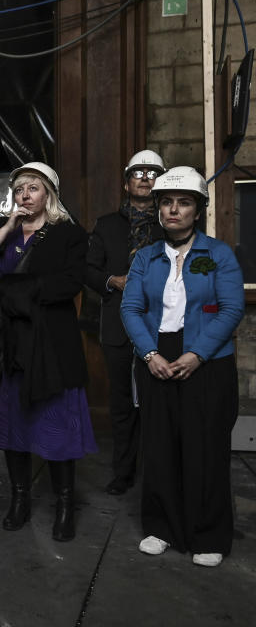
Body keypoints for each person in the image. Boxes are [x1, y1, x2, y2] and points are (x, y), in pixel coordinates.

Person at [121, 166, 244, 567]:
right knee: (159, 446)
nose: (174, 210)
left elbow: (230, 309)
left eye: (184, 202)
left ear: (198, 209)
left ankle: (208, 534)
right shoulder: (145, 258)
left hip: (207, 360)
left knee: (205, 447)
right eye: (167, 202)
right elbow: (131, 308)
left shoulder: (218, 254)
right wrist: (149, 355)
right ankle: (161, 528)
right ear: (159, 209)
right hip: (156, 354)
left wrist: (197, 355)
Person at [0, 162, 97, 545]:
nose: (25, 195)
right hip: (9, 345)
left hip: (50, 345)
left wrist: (10, 287)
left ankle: (64, 507)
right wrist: (7, 229)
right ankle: (19, 500)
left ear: (49, 194)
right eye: (19, 190)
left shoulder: (69, 234)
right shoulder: (4, 233)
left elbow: (68, 284)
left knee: (56, 426)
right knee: (12, 426)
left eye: (33, 188)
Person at [85, 150, 165, 495]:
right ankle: (123, 472)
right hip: (118, 326)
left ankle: (160, 475)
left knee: (160, 402)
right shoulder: (106, 225)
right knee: (122, 403)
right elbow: (87, 269)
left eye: (152, 173)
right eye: (138, 173)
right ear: (126, 182)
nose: (145, 178)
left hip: (162, 326)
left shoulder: (172, 223)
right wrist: (111, 281)